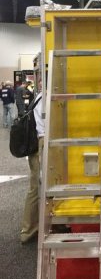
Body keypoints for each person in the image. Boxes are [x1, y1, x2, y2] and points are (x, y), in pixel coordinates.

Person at [20, 89, 43, 243]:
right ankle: (28, 230)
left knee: (37, 186)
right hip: (41, 143)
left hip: (37, 144)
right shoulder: (44, 98)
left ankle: (31, 228)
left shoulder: (39, 97)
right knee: (36, 187)